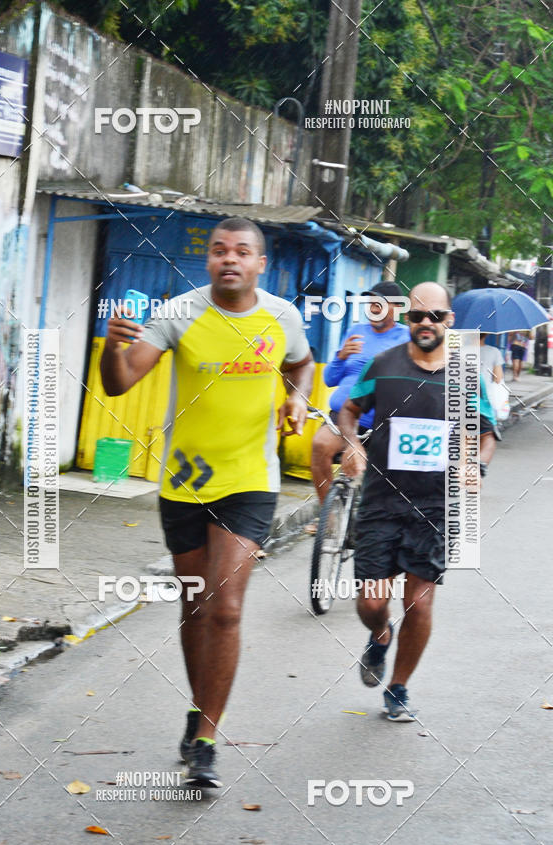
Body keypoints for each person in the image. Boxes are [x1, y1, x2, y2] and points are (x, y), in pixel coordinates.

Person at [100, 217, 314, 786]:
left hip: (251, 480)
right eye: (219, 250)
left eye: (242, 252)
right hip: (184, 484)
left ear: (259, 263)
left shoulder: (282, 317)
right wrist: (110, 349)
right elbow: (120, 383)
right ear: (209, 260)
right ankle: (200, 708)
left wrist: (296, 400)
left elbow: (300, 362)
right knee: (194, 607)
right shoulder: (179, 314)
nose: (230, 259)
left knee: (225, 608)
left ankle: (205, 740)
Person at [338, 282, 496, 721]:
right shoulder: (383, 364)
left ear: (450, 321)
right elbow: (349, 409)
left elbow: (485, 435)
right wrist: (352, 443)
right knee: (371, 602)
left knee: (420, 602)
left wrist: (476, 468)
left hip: (436, 506)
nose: (426, 324)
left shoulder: (467, 374)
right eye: (417, 316)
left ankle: (399, 687)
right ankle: (380, 637)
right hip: (381, 500)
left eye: (436, 316)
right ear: (408, 318)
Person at [311, 281, 409, 505]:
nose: (373, 307)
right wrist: (341, 356)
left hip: (384, 420)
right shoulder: (355, 331)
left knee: (386, 480)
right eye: (371, 303)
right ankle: (330, 521)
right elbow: (329, 379)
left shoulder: (406, 338)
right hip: (344, 415)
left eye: (380, 303)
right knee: (319, 446)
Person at [479, 333, 504, 478]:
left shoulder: (459, 350)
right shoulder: (494, 352)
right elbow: (498, 378)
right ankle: (479, 463)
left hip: (459, 398)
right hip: (483, 401)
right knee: (488, 435)